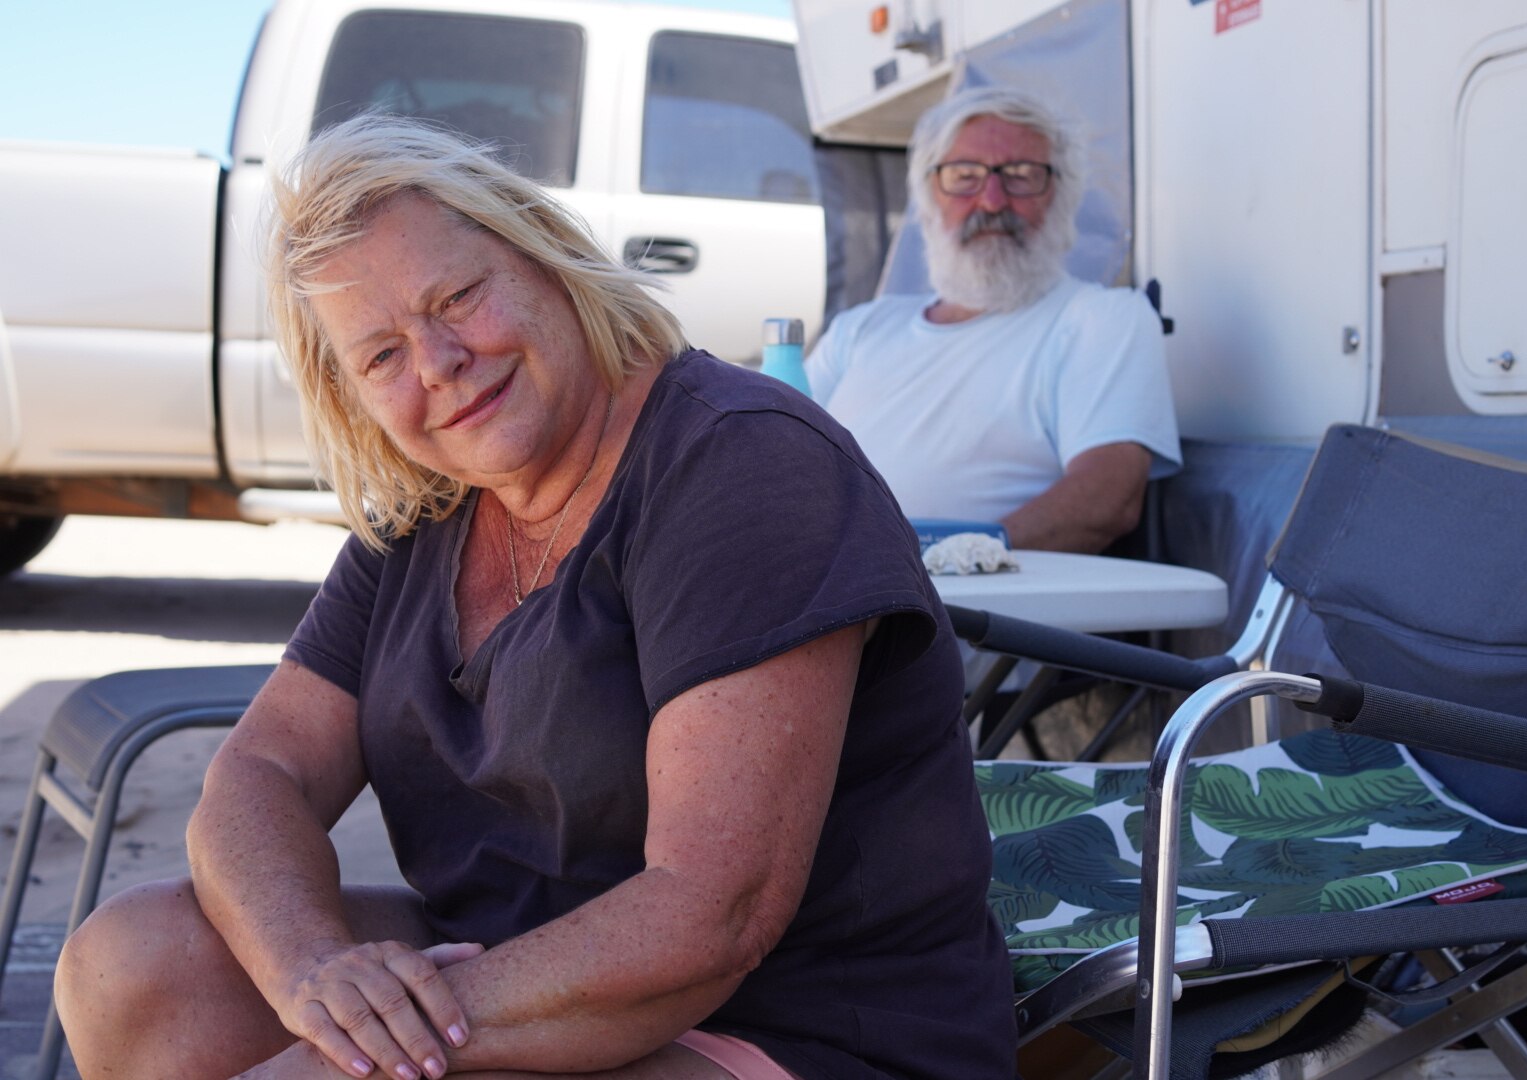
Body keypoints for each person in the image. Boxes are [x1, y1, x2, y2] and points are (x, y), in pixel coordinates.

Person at [53, 116, 1016, 1080]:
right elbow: (262, 770)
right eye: (381, 355)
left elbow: (712, 914)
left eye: (458, 297)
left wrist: (382, 1037)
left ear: (546, 259)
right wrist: (312, 971)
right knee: (131, 967)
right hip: (513, 964)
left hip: (796, 1025)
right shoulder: (426, 513)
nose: (436, 362)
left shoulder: (742, 466)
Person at [807, 86, 1181, 554]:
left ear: (1062, 199)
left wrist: (953, 558)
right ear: (927, 201)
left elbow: (1106, 500)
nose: (991, 199)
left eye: (1022, 176)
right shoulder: (860, 329)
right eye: (964, 176)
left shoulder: (1101, 319)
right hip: (820, 588)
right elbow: (767, 459)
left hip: (964, 615)